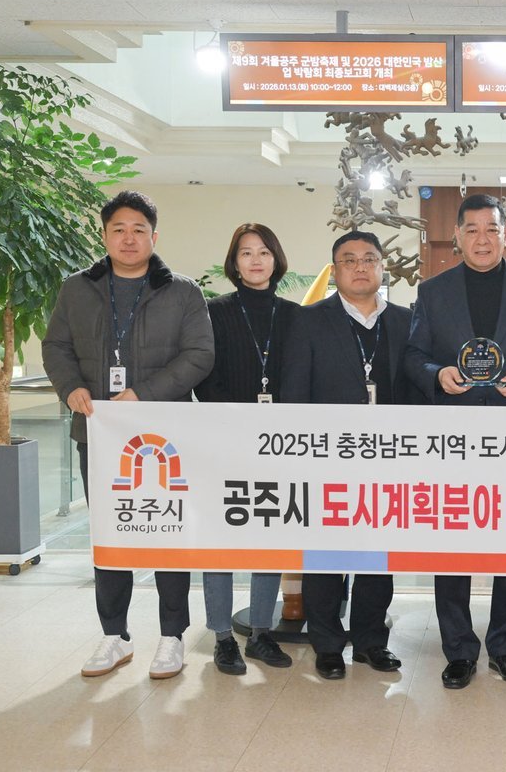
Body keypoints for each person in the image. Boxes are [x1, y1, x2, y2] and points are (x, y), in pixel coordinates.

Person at [42, 190, 214, 679]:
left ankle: (172, 636)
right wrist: (71, 387)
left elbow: (200, 355)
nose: (129, 238)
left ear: (155, 236)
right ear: (104, 235)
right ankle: (114, 635)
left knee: (168, 530)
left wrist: (143, 394)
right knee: (110, 532)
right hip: (100, 434)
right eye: (118, 229)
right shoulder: (77, 289)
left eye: (139, 229)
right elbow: (56, 346)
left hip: (167, 436)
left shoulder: (182, 292)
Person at [404, 193, 506, 689]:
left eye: (492, 229)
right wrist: (437, 374)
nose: (482, 238)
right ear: (457, 236)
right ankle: (458, 649)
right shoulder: (432, 292)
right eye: (472, 229)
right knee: (452, 542)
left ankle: (505, 646)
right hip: (453, 440)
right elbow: (413, 356)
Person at [282, 230, 415, 680]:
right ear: (335, 269)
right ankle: (327, 644)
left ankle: (371, 641)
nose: (360, 267)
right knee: (326, 559)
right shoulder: (308, 320)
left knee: (377, 559)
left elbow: (416, 394)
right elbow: (294, 393)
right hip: (327, 461)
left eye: (369, 258)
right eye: (349, 259)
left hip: (388, 461)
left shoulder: (405, 321)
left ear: (382, 267)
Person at [193, 223, 297, 675]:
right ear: (234, 263)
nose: (256, 260)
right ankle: (221, 637)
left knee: (268, 538)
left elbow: (301, 378)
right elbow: (203, 376)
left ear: (276, 259)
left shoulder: (295, 315)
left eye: (264, 252)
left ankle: (260, 633)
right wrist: (238, 424)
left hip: (279, 446)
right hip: (224, 442)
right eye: (246, 253)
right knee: (221, 540)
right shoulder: (213, 312)